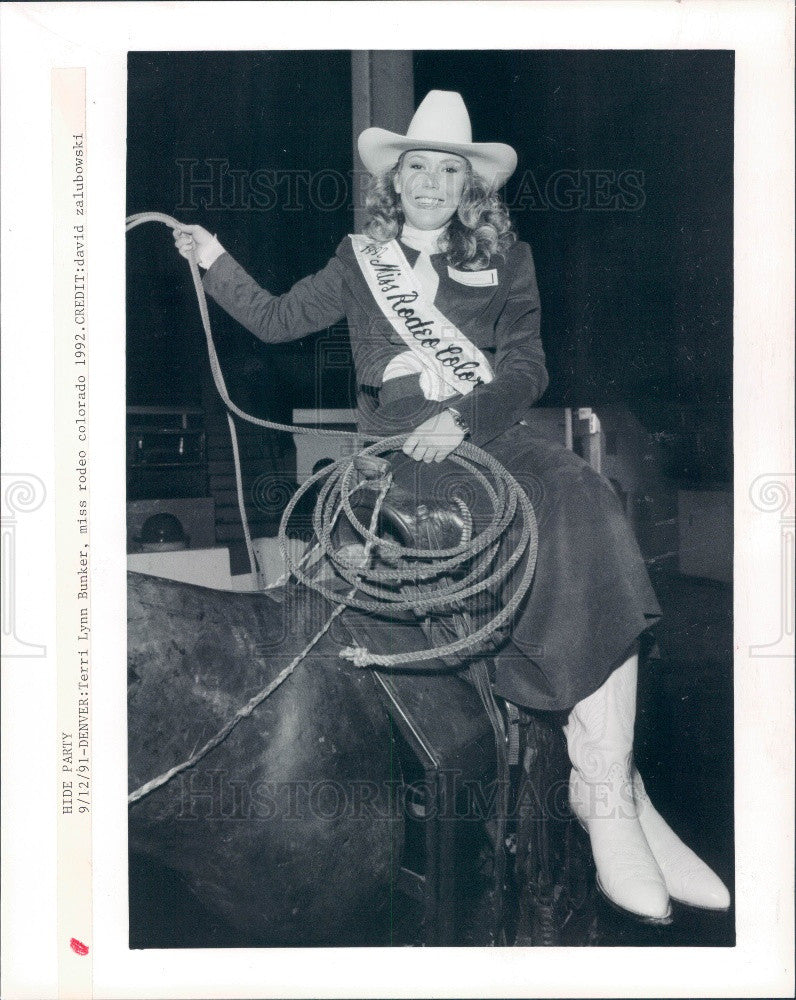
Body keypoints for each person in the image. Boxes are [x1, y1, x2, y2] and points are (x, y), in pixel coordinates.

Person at [173, 90, 730, 923]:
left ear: (469, 185)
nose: (430, 180)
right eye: (416, 167)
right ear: (393, 182)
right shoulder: (359, 259)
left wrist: (464, 416)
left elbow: (526, 370)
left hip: (486, 428)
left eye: (446, 168)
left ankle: (608, 785)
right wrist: (213, 257)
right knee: (493, 524)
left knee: (585, 495)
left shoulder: (510, 260)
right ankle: (617, 793)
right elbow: (279, 319)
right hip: (400, 449)